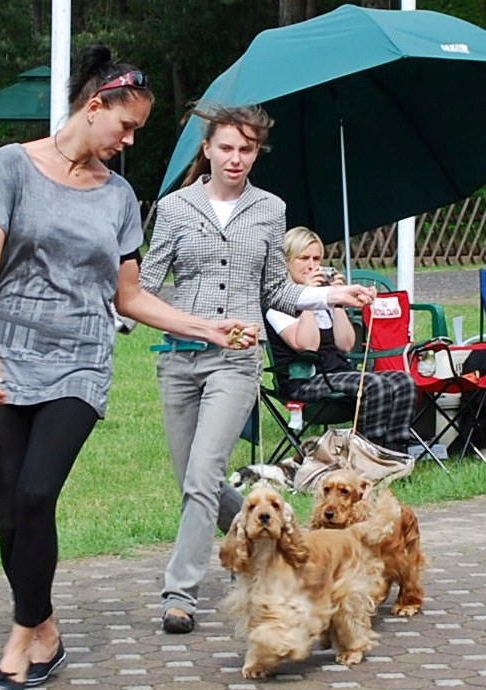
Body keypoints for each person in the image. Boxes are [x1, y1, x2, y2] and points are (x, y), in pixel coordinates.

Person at [0, 46, 258, 690]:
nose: (129, 142)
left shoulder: (119, 196)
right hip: (6, 356)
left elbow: (129, 296)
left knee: (35, 496)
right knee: (9, 516)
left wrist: (205, 327)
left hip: (79, 362)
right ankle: (45, 631)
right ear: (94, 106)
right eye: (126, 126)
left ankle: (18, 644)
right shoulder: (11, 166)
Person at [136, 104, 376, 635]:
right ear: (207, 149)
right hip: (178, 359)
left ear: (256, 153)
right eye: (226, 147)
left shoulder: (270, 209)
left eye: (246, 149)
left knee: (202, 476)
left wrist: (333, 295)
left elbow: (277, 290)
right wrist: (108, 325)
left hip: (235, 361)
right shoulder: (175, 208)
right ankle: (266, 538)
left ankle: (180, 593)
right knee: (193, 481)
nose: (236, 158)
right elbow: (144, 285)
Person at [265, 226, 417, 452]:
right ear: (286, 261)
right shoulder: (277, 302)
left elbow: (346, 344)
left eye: (317, 259)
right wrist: (306, 297)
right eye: (304, 258)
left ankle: (394, 449)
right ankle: (368, 451)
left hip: (337, 372)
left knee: (403, 381)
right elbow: (307, 345)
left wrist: (337, 302)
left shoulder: (324, 296)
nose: (312, 266)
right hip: (305, 380)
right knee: (373, 384)